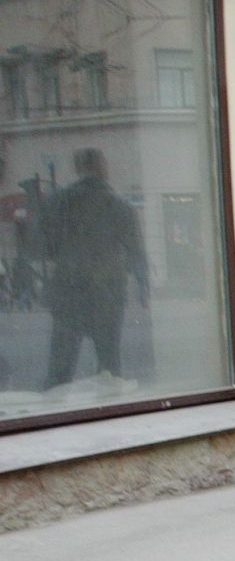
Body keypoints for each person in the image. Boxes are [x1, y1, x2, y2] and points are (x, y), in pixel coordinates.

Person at [42, 147, 148, 391]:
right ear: (101, 167)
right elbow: (135, 250)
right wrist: (142, 286)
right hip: (106, 292)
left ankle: (54, 413)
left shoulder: (58, 201)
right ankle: (108, 411)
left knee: (60, 365)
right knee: (109, 364)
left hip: (68, 290)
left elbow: (46, 246)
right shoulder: (118, 204)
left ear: (78, 168)